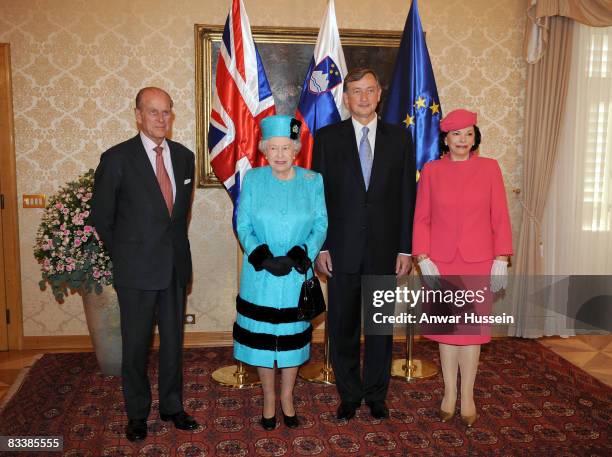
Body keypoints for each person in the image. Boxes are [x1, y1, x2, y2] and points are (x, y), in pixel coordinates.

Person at [91, 87, 198, 442]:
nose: (160, 119)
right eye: (153, 112)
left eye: (166, 112)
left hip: (174, 269)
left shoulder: (184, 157)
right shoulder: (117, 158)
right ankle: (137, 413)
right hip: (136, 271)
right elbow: (102, 218)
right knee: (135, 347)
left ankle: (172, 406)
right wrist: (126, 255)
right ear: (138, 115)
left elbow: (178, 217)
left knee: (172, 345)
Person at [312, 68, 416, 421]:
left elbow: (407, 196)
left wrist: (405, 248)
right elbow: (318, 198)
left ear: (379, 94)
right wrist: (322, 246)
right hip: (341, 250)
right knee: (341, 327)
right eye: (356, 91)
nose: (363, 97)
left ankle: (376, 395)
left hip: (385, 250)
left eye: (369, 90)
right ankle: (349, 395)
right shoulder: (327, 138)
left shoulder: (400, 138)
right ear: (346, 97)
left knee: (379, 327)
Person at [412, 108, 513, 427]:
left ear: (475, 137)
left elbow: (500, 215)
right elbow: (422, 217)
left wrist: (502, 257)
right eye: (456, 134)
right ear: (445, 138)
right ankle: (449, 393)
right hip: (440, 262)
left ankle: (467, 395)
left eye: (469, 133)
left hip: (479, 259)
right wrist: (423, 256)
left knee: (471, 333)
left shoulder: (489, 168)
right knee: (447, 330)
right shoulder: (431, 170)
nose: (463, 140)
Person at [233, 114, 328, 430]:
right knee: (263, 342)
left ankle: (287, 396)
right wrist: (261, 255)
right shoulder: (254, 179)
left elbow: (320, 224)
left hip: (295, 275)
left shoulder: (313, 180)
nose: (280, 154)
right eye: (273, 148)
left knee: (291, 342)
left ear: (296, 149)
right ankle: (268, 398)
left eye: (286, 148)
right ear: (264, 149)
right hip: (260, 275)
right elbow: (243, 223)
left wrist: (302, 254)